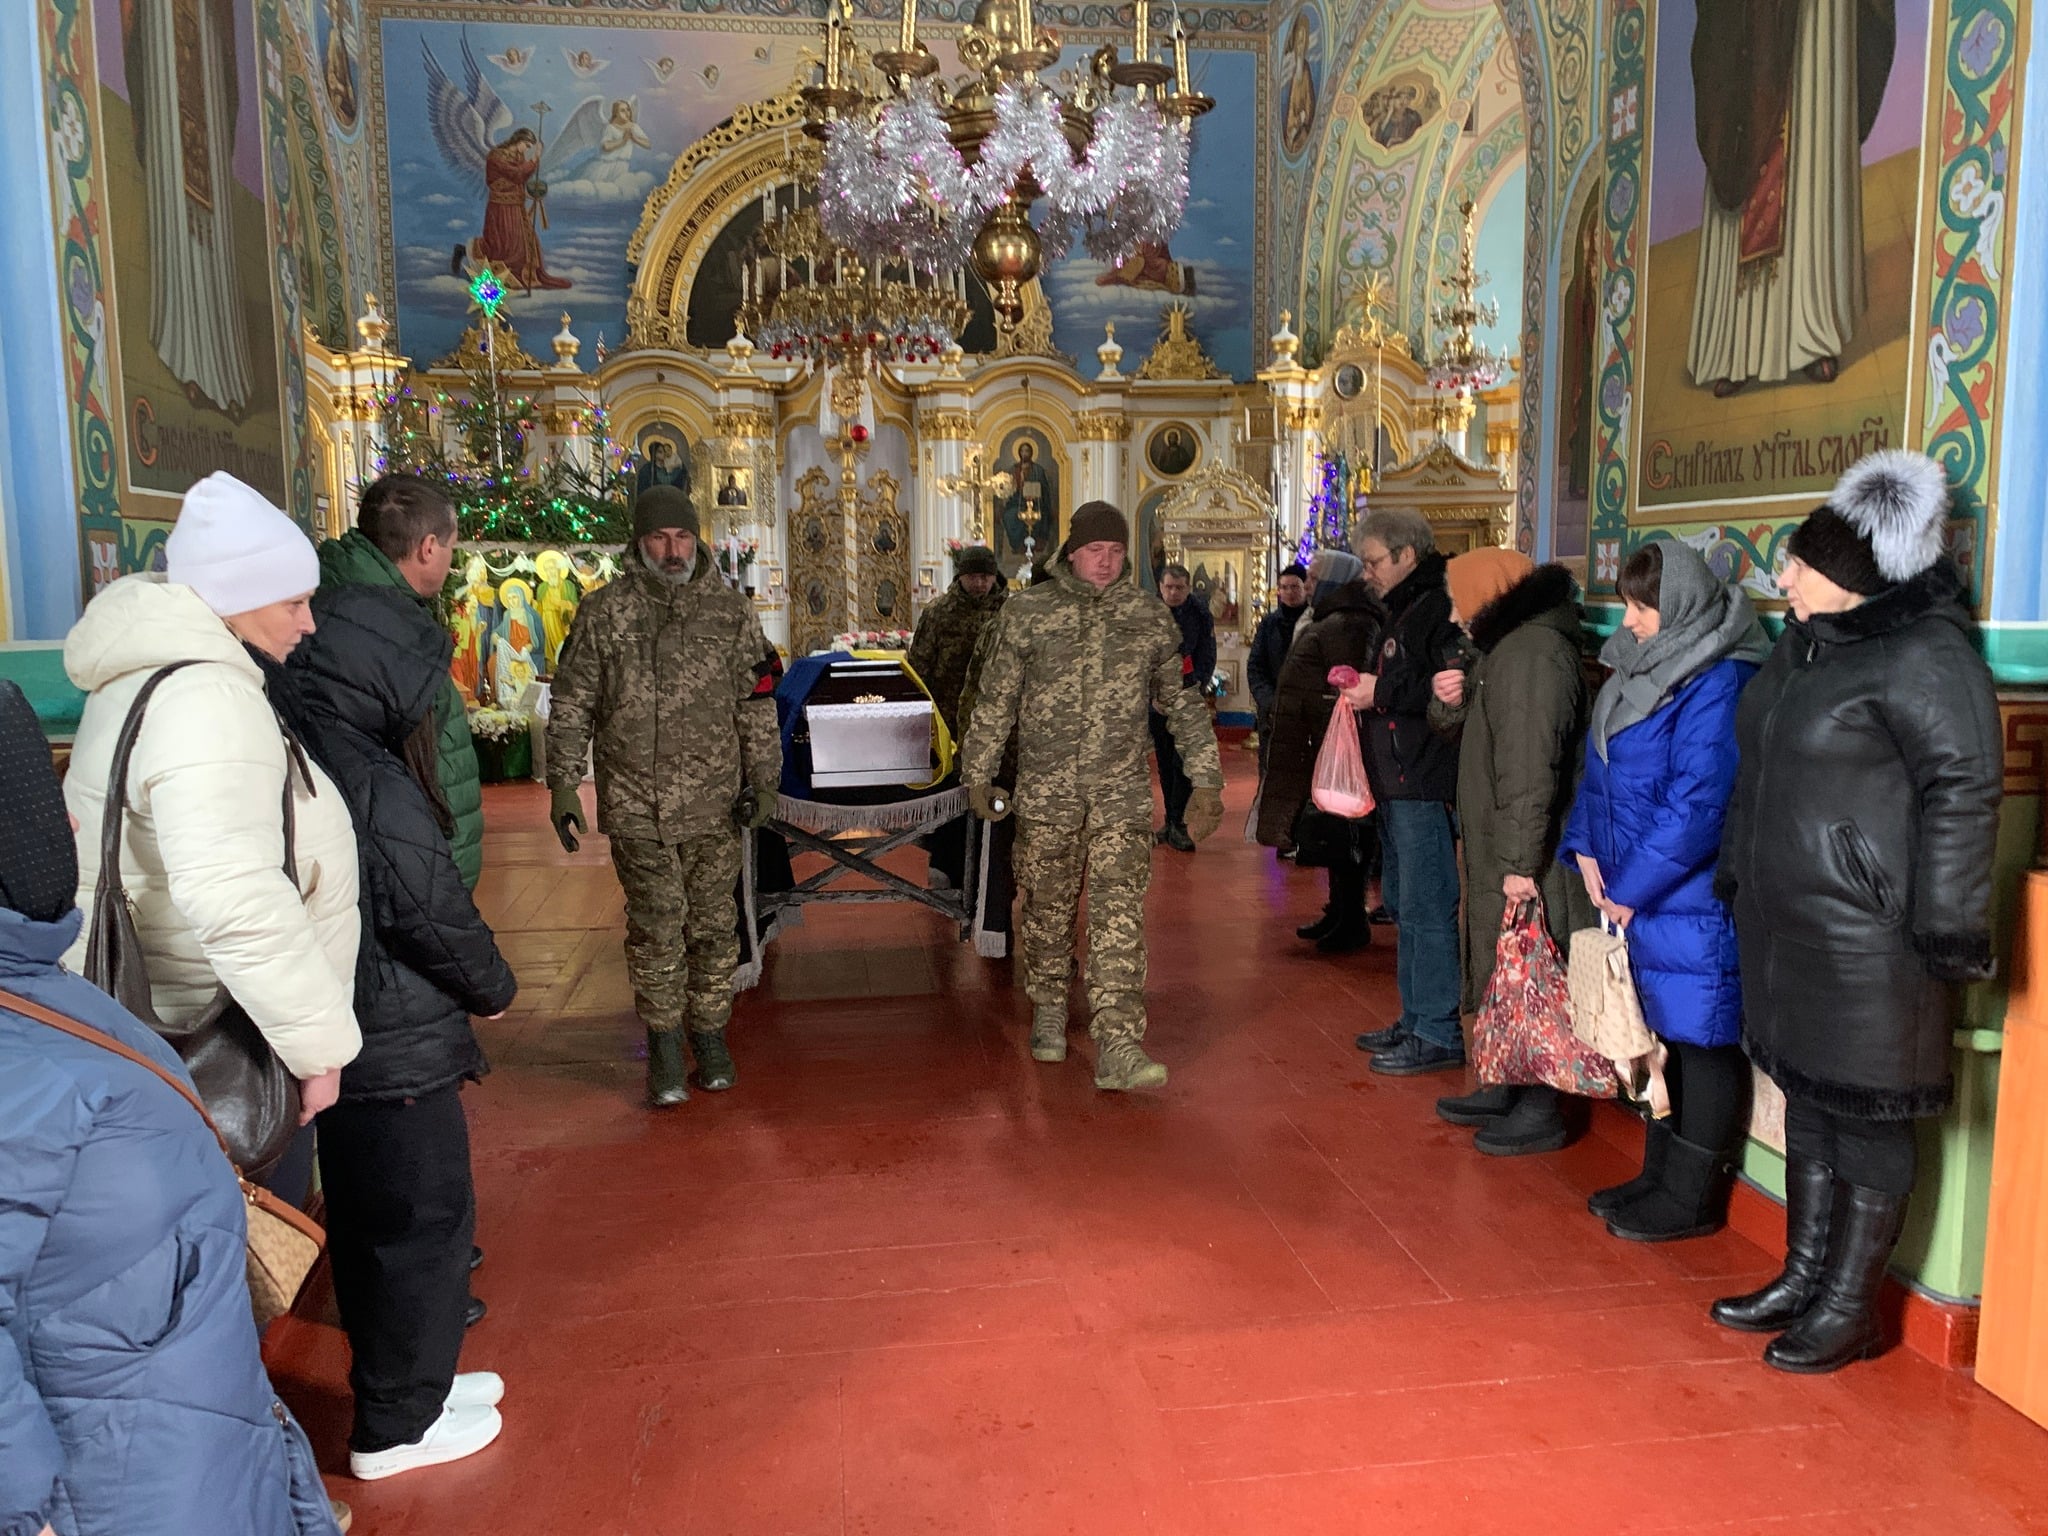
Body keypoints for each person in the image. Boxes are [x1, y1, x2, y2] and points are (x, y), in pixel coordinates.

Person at [0, 681, 348, 1536]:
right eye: (38, 809)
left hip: (187, 1448)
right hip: (116, 1489)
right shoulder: (26, 1057)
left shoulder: (42, 998)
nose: (71, 823)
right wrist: (25, 1509)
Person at [1711, 450, 2000, 1373]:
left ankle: (1851, 1308)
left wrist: (1948, 929)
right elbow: (1757, 770)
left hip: (1874, 940)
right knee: (1809, 1098)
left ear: (1852, 577)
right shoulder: (1805, 645)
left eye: (1799, 564)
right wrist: (1737, 872)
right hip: (1789, 926)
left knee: (1870, 1120)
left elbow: (1964, 792)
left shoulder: (1928, 654)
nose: (1784, 578)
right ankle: (1803, 1278)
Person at [62, 473, 362, 1184]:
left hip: (167, 1027)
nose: (309, 623)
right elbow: (235, 895)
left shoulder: (149, 674)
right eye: (294, 602)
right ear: (235, 598)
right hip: (215, 1040)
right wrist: (317, 1051)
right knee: (253, 1230)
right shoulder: (206, 696)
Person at [289, 583, 517, 1479]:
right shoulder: (371, 776)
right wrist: (490, 985)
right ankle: (396, 1424)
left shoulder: (315, 744)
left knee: (378, 1216)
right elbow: (427, 905)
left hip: (360, 1029)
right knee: (419, 1221)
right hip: (391, 1036)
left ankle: (417, 1381)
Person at [962, 502, 1224, 1089]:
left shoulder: (1148, 618)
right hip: (1047, 793)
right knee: (1048, 909)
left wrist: (1206, 778)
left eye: (1116, 551)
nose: (1105, 562)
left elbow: (1179, 701)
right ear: (1072, 552)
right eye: (1094, 551)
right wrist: (978, 773)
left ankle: (1119, 1043)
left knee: (1119, 917)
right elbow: (996, 700)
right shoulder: (1027, 613)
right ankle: (1050, 1004)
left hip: (1120, 794)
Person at [1559, 540, 1771, 1239]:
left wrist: (1629, 886)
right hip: (1636, 892)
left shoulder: (1721, 677)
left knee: (1703, 1041)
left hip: (1692, 897)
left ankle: (1693, 1199)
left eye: (1642, 606)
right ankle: (1658, 1176)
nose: (1630, 619)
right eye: (1628, 603)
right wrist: (1586, 847)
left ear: (1679, 603)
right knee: (1659, 1037)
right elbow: (1600, 769)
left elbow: (1699, 804)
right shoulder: (1637, 663)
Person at [545, 485, 782, 1107]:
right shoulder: (604, 613)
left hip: (714, 802)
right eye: (658, 537)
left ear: (697, 539)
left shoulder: (730, 614)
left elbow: (755, 703)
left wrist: (765, 779)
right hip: (635, 802)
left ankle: (710, 1035)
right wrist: (563, 783)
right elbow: (572, 703)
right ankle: (664, 1044)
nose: (672, 550)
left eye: (681, 537)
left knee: (713, 925)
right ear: (639, 541)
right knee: (656, 926)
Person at [1423, 550, 1597, 1150]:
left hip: (1530, 854)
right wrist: (1449, 700)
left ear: (1489, 594)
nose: (1453, 615)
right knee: (1509, 969)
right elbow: (1474, 732)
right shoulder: (1506, 650)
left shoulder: (1532, 656)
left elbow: (1529, 768)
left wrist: (1520, 862)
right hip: (1506, 844)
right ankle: (1509, 1081)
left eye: (1459, 600)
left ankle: (1542, 1104)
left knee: (1537, 970)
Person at [318, 474, 485, 889]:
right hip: (408, 869)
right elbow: (426, 766)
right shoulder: (395, 633)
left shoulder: (332, 599)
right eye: (450, 547)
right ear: (428, 548)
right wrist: (447, 886)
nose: (450, 559)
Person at [1341, 510, 1463, 1071]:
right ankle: (1415, 1017)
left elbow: (1448, 689)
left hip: (1423, 780)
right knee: (1403, 904)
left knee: (1427, 905)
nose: (1367, 573)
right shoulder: (1403, 606)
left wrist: (1381, 691)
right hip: (1397, 782)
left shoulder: (1438, 606)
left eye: (1374, 562)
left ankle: (1438, 1029)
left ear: (1406, 555)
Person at [1256, 550, 1383, 953]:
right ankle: (1338, 910)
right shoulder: (1332, 618)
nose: (1307, 585)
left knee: (1345, 833)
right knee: (1334, 830)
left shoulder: (1349, 622)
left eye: (1313, 578)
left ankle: (1351, 919)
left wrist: (1321, 724)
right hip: (1318, 740)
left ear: (1334, 580)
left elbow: (1344, 686)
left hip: (1335, 744)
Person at [910, 545, 1009, 891]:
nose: (980, 583)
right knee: (950, 797)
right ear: (960, 577)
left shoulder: (1009, 612)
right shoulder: (939, 613)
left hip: (997, 724)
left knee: (994, 797)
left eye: (985, 577)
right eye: (973, 577)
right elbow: (919, 667)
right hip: (949, 724)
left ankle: (991, 874)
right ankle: (945, 865)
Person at [1151, 564, 1217, 853]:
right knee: (1165, 762)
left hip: (1188, 697)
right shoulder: (1150, 614)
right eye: (1169, 587)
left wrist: (1195, 688)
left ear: (1188, 588)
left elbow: (1207, 654)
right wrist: (1151, 695)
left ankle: (1179, 823)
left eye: (1179, 588)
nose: (1173, 593)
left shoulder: (1200, 614)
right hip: (1156, 701)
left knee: (1184, 763)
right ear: (1160, 587)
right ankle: (1170, 820)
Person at [1246, 561, 1309, 767]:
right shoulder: (1269, 624)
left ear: (1305, 588)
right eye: (1284, 587)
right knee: (1271, 766)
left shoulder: (1315, 623)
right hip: (1273, 710)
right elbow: (1256, 667)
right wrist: (1269, 701)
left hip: (1306, 710)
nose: (1289, 592)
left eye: (1294, 587)